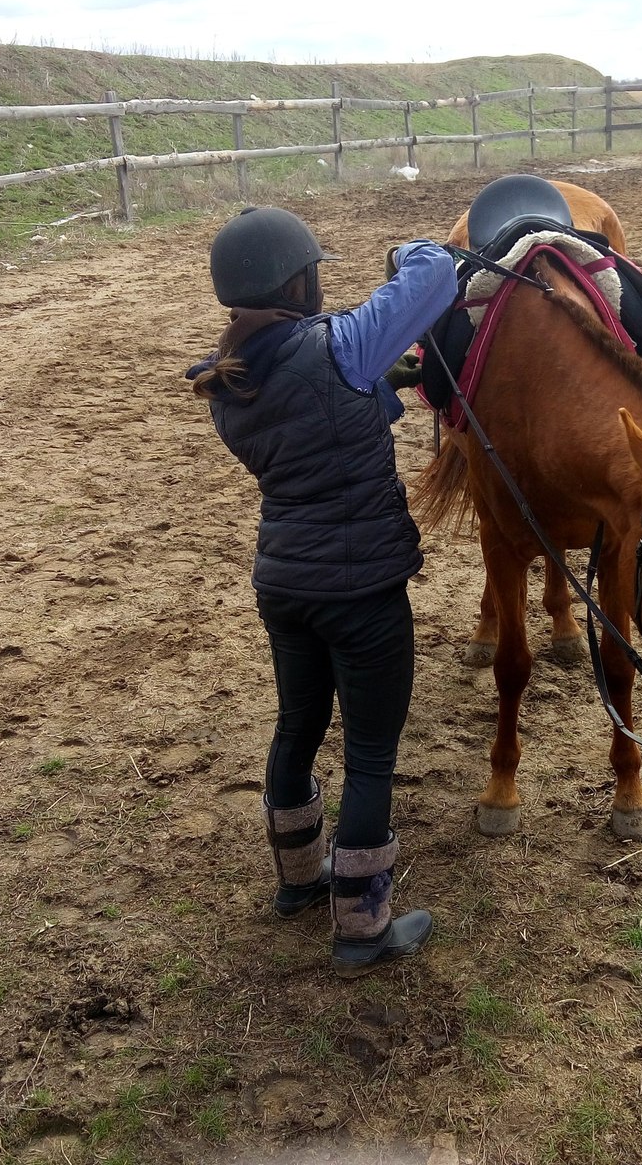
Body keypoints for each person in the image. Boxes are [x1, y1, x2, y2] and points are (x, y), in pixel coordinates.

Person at [186, 206, 457, 976]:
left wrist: (378, 383)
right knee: (370, 757)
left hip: (285, 586)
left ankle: (299, 885)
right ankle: (362, 928)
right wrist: (408, 246)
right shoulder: (340, 344)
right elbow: (433, 273)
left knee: (296, 732)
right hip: (363, 591)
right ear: (297, 282)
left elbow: (312, 417)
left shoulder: (225, 378)